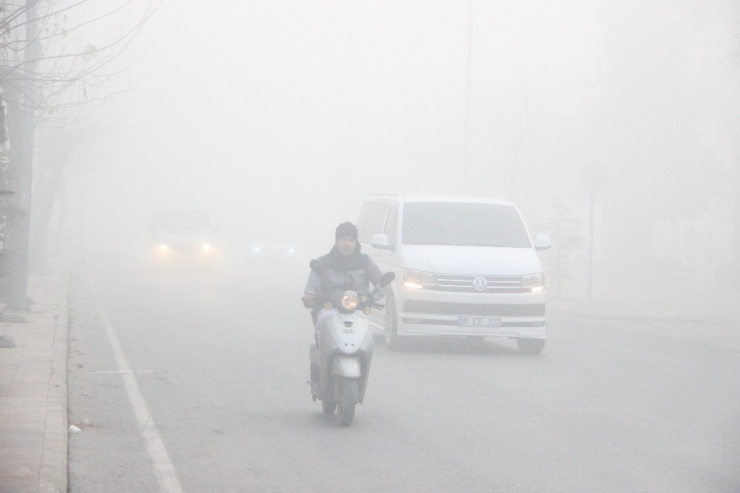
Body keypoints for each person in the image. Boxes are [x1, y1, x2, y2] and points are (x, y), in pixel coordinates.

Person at [302, 221, 385, 327]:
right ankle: (319, 343)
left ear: (356, 242)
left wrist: (371, 298)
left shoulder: (365, 262)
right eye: (344, 239)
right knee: (322, 321)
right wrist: (310, 297)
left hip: (358, 310)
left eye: (352, 240)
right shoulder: (322, 263)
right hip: (328, 310)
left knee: (366, 332)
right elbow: (311, 287)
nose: (348, 243)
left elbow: (383, 283)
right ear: (336, 240)